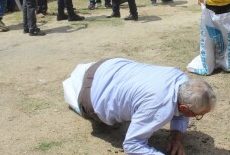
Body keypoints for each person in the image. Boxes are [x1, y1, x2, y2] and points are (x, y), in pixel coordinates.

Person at [62, 58, 216, 155]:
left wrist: (176, 139)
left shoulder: (182, 80)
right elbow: (132, 145)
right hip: (87, 97)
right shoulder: (158, 107)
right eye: (197, 115)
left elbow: (181, 112)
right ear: (183, 108)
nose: (196, 118)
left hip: (105, 65)